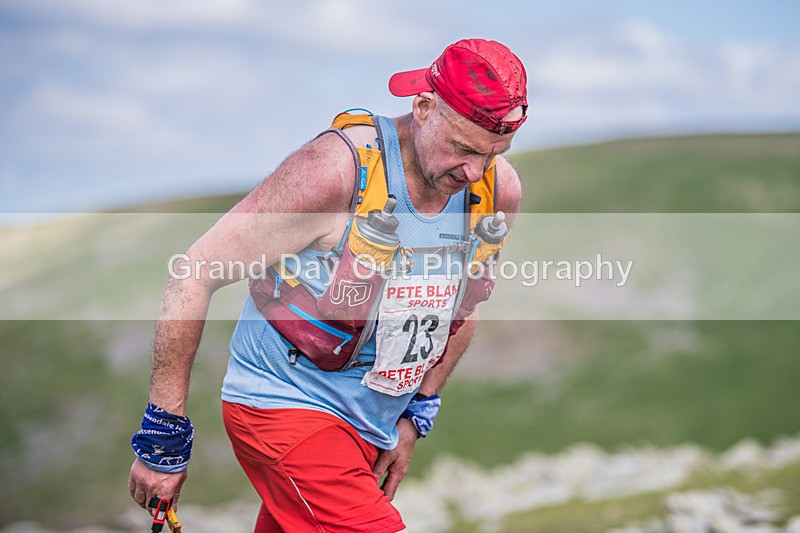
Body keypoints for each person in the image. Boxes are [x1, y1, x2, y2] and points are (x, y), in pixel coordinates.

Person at [128, 38, 527, 532]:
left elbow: (461, 306)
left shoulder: (496, 190)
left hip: (369, 426)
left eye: (492, 154)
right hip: (284, 408)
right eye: (463, 149)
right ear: (423, 107)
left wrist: (416, 413)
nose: (474, 172)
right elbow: (194, 272)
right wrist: (163, 435)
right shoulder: (333, 171)